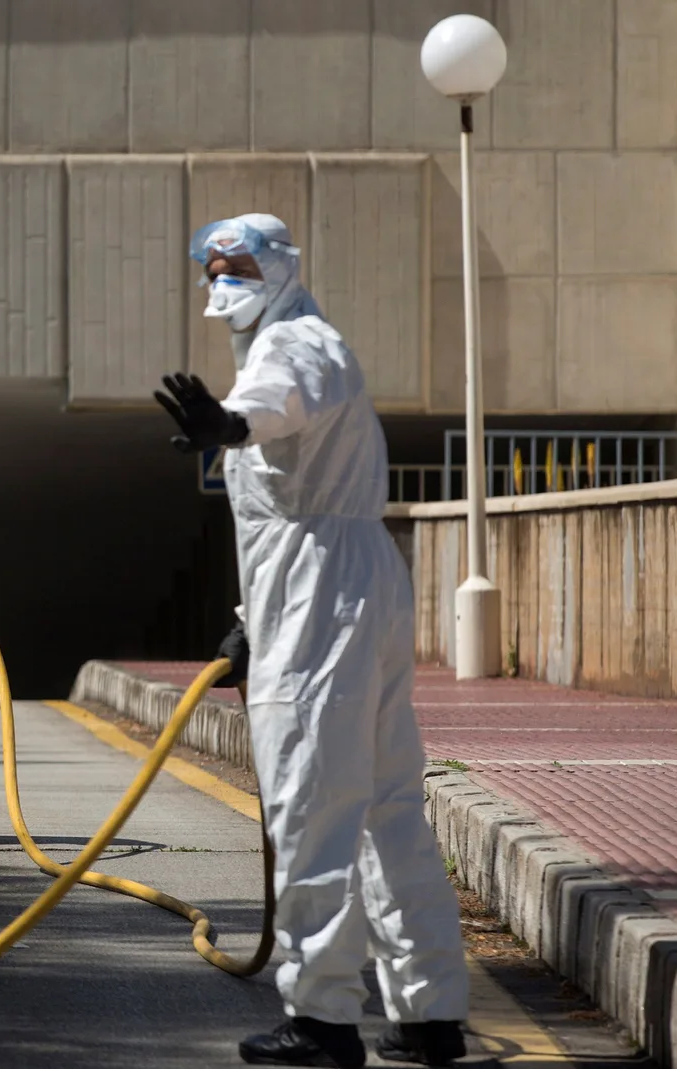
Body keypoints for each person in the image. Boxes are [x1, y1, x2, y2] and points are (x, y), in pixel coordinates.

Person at [154, 215, 469, 1069]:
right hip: (340, 581)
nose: (225, 280)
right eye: (213, 267)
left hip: (323, 590)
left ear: (283, 267)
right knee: (386, 804)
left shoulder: (294, 343)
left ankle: (324, 1016)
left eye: (241, 265)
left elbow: (278, 406)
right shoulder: (300, 340)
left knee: (312, 804)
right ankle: (430, 1010)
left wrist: (229, 426)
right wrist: (252, 622)